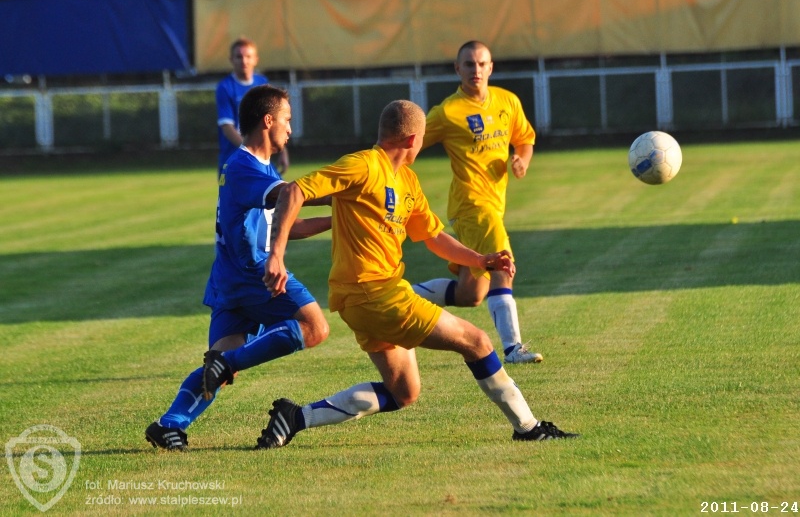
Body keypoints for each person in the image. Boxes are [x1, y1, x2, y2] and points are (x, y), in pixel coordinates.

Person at [257, 100, 577, 449]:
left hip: (364, 299)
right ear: (413, 140)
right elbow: (295, 190)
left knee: (404, 391)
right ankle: (528, 427)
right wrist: (277, 255)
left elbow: (433, 236)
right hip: (376, 294)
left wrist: (480, 260)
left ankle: (295, 417)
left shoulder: (407, 180)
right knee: (477, 342)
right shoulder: (363, 164)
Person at [145, 85, 331, 451]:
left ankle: (168, 425)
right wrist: (349, 195)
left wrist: (340, 220)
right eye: (287, 119)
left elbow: (286, 226)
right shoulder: (245, 166)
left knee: (218, 368)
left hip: (229, 278)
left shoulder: (257, 167)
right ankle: (226, 364)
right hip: (252, 273)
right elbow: (291, 194)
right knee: (315, 327)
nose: (290, 128)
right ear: (268, 121)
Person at [411, 40, 542, 365]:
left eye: (482, 64)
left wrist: (522, 160)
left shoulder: (507, 101)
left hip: (494, 205)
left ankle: (402, 297)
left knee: (471, 294)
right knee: (503, 264)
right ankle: (513, 348)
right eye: (469, 64)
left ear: (491, 67)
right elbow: (411, 143)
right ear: (458, 69)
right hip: (471, 205)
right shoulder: (448, 112)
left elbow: (524, 139)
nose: (476, 70)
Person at [216, 37, 290, 176]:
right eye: (239, 57)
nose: (244, 61)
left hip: (261, 159)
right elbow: (227, 128)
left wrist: (282, 150)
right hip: (234, 160)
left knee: (279, 189)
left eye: (248, 56)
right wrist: (250, 150)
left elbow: (273, 121)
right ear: (231, 59)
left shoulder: (262, 83)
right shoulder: (225, 87)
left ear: (256, 59)